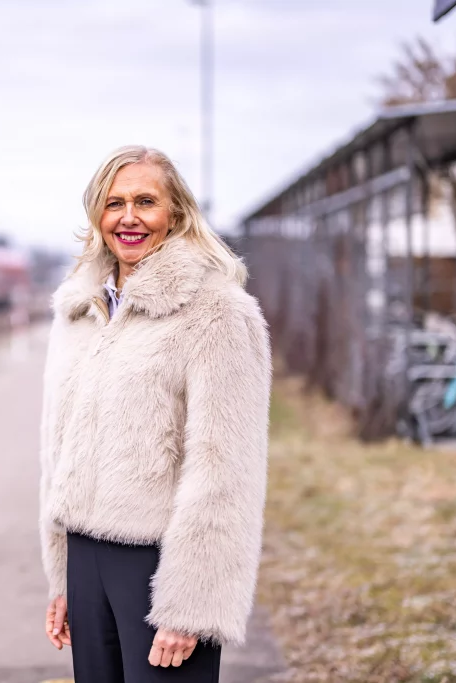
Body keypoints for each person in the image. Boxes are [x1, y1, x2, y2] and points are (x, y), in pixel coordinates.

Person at [38, 145, 272, 682]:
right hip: (85, 559)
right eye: (114, 202)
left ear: (178, 213)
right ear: (97, 215)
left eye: (146, 201)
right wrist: (63, 578)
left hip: (158, 568)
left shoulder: (218, 314)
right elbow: (56, 448)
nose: (129, 217)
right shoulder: (80, 311)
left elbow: (226, 470)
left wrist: (191, 603)